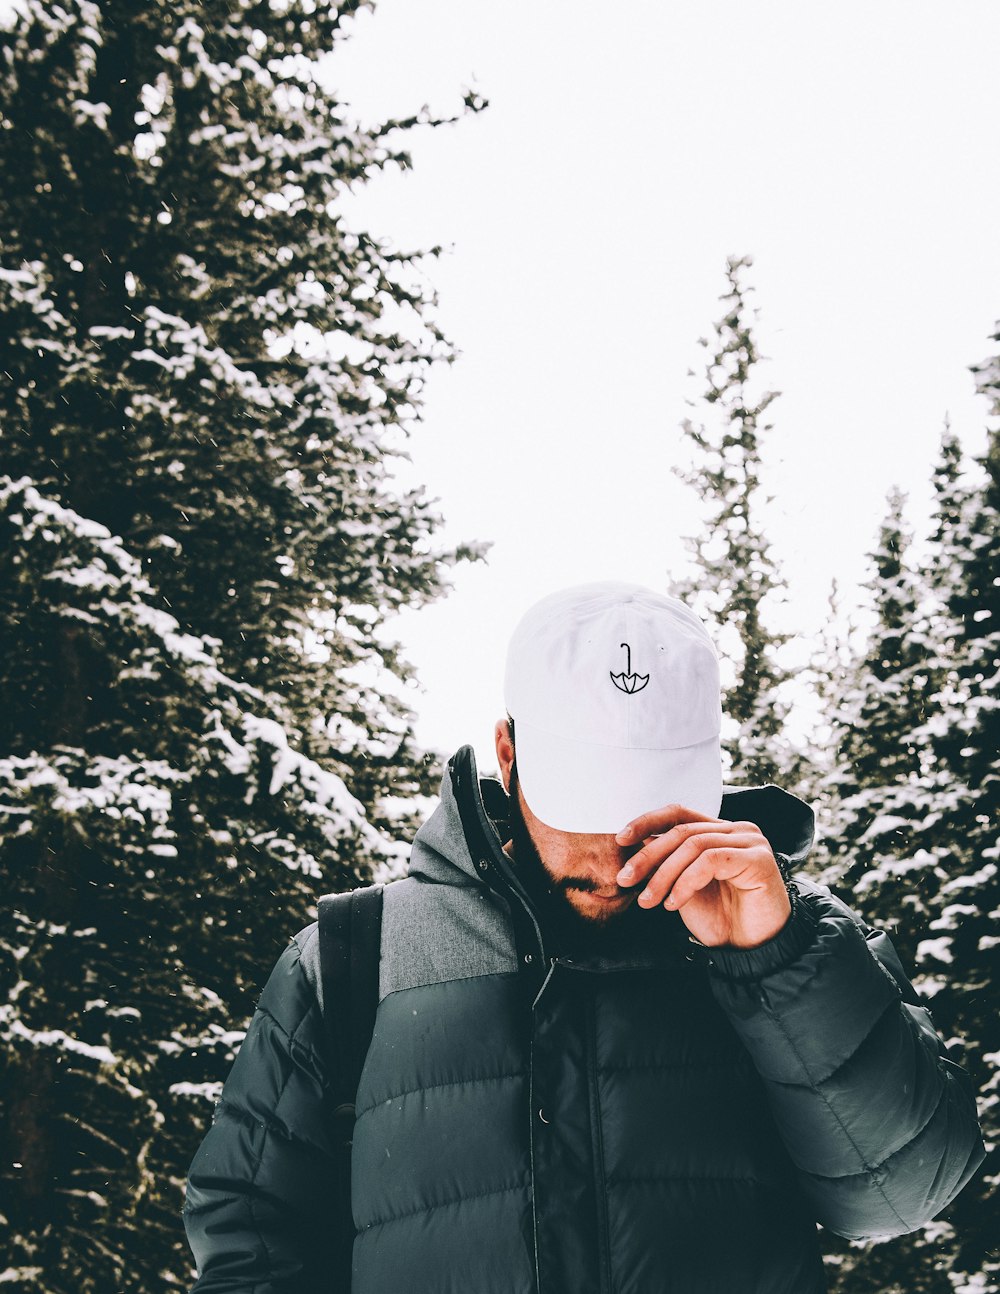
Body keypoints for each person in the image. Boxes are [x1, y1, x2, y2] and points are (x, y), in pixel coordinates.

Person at [183, 581, 985, 1294]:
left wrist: (774, 960)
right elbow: (253, 1245)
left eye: (649, 803)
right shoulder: (357, 955)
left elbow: (901, 1196)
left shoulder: (788, 934)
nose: (614, 852)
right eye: (586, 802)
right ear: (508, 753)